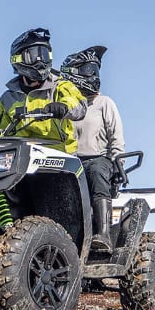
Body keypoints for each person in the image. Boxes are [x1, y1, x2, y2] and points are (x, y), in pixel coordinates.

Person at [60, 45, 124, 253]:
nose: (93, 76)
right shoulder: (68, 106)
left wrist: (118, 163)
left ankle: (103, 234)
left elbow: (116, 137)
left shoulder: (104, 103)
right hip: (72, 160)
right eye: (88, 71)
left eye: (94, 71)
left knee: (96, 171)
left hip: (100, 159)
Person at [0, 28, 87, 153]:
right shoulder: (7, 99)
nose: (41, 61)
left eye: (44, 55)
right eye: (33, 56)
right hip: (21, 155)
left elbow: (79, 104)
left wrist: (64, 107)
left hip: (59, 153)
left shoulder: (60, 86)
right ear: (18, 59)